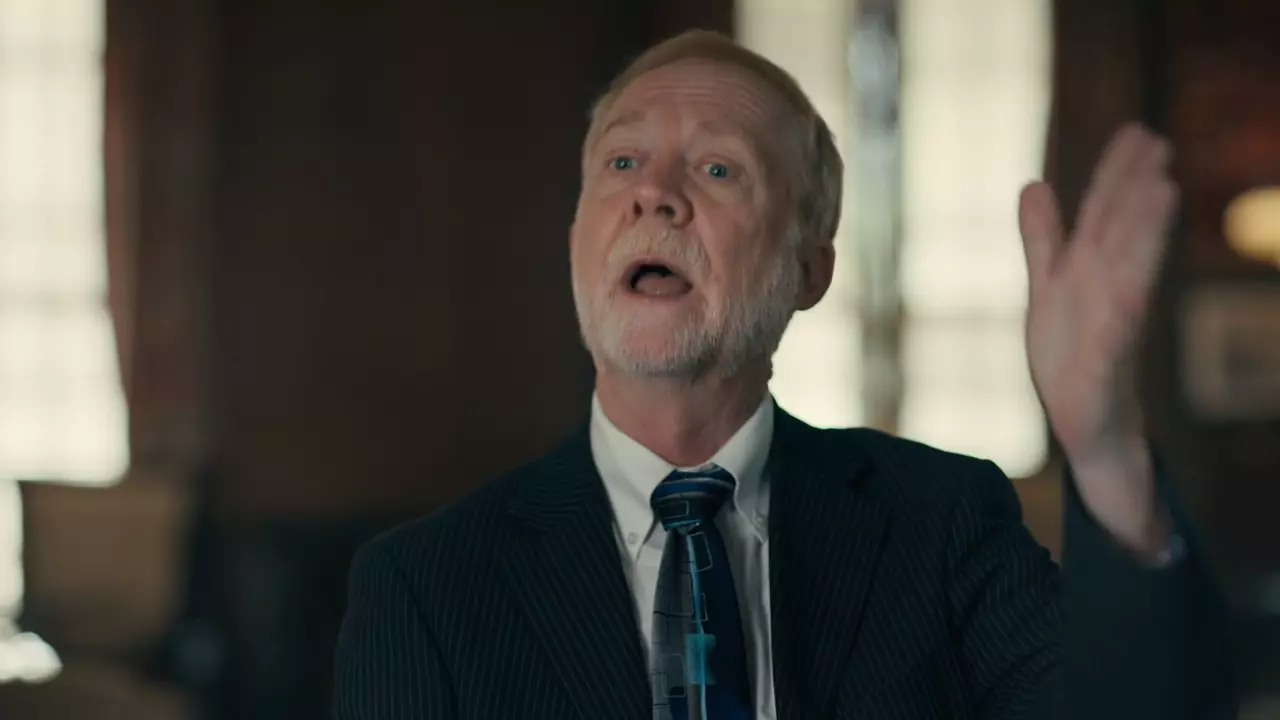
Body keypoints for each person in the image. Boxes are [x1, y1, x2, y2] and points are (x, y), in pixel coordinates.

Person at [332, 30, 1233, 720]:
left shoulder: (946, 524)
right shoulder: (422, 587)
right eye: (622, 161)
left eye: (718, 168)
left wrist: (1106, 451)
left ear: (809, 270)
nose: (655, 194)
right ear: (577, 240)